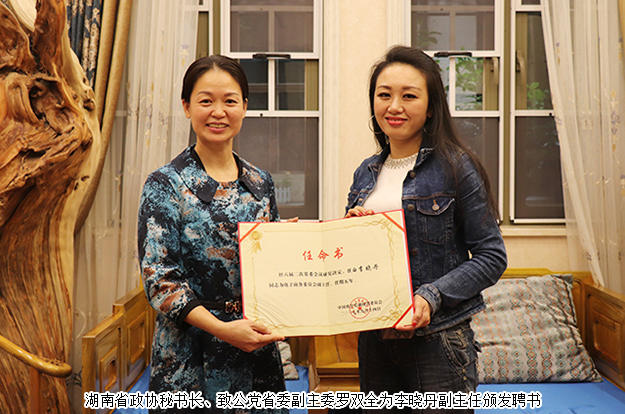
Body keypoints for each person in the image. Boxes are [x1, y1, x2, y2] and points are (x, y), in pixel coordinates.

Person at [345, 46, 508, 413]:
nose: (394, 106)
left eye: (409, 96)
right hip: (375, 340)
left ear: (431, 106)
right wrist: (352, 233)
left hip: (438, 340)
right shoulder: (365, 174)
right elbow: (356, 265)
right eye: (384, 95)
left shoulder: (457, 166)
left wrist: (431, 296)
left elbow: (492, 257)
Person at [138, 55, 288, 413]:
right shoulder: (165, 185)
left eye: (230, 101)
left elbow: (270, 268)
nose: (218, 112)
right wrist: (224, 329)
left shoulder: (260, 183)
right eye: (206, 101)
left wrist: (290, 245)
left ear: (245, 107)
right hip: (189, 359)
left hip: (256, 355)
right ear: (186, 106)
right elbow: (161, 282)